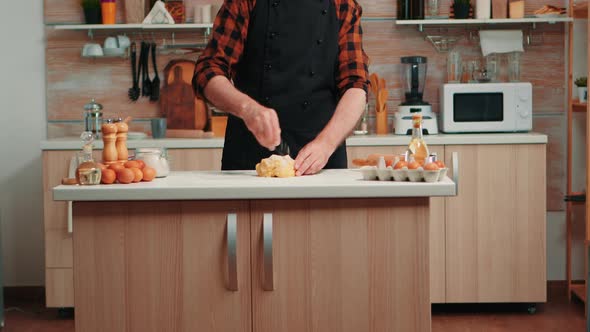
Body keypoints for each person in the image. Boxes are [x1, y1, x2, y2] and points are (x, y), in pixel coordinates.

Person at [193, 0, 370, 175]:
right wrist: (247, 108)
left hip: (322, 161)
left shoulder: (343, 5)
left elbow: (356, 85)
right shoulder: (244, 2)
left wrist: (327, 143)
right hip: (249, 160)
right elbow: (208, 70)